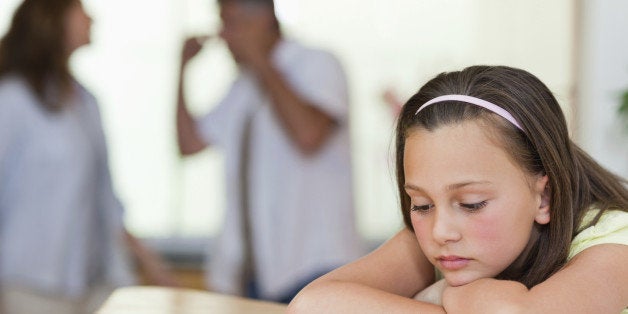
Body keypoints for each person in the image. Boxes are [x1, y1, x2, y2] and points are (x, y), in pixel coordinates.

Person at [287, 65, 628, 313]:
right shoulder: (441, 238)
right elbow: (312, 305)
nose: (441, 230)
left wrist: (444, 294)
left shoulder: (615, 241)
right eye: (420, 204)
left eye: (471, 203)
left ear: (544, 197)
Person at [176, 0, 364, 303]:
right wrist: (182, 69)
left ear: (263, 20)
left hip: (317, 268)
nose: (223, 36)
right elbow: (189, 144)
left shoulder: (318, 63)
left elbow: (308, 136)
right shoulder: (243, 87)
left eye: (231, 23)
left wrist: (262, 60)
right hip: (258, 277)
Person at [0, 0, 178, 312]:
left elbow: (106, 202)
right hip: (29, 287)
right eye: (80, 9)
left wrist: (152, 265)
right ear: (53, 20)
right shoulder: (12, 100)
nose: (91, 17)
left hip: (91, 285)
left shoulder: (85, 102)